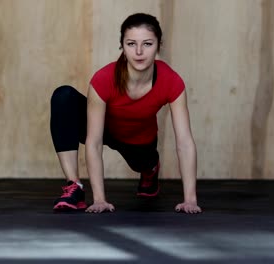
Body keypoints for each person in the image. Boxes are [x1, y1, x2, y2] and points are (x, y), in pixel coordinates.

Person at [50, 13, 201, 214]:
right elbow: (94, 141)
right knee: (63, 96)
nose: (139, 52)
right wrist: (100, 200)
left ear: (159, 45)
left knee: (143, 163)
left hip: (138, 140)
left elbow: (184, 142)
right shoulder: (104, 78)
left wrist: (190, 200)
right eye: (131, 44)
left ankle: (150, 169)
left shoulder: (171, 81)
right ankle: (74, 187)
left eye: (147, 44)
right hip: (104, 127)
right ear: (122, 45)